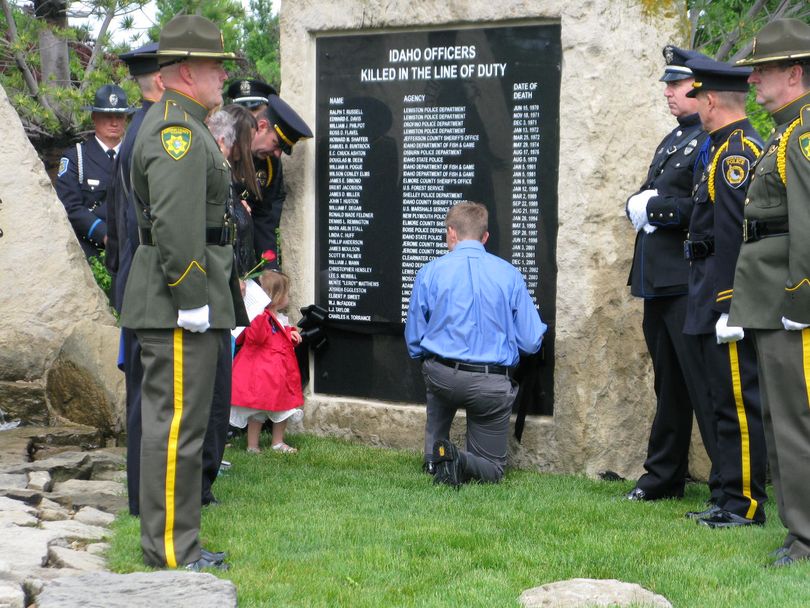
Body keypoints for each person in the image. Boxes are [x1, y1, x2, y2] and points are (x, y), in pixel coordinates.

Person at [120, 14, 248, 571]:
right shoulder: (176, 131)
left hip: (181, 297)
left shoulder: (184, 123)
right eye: (217, 68)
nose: (224, 78)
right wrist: (192, 296)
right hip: (177, 303)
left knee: (178, 425)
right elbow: (175, 226)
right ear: (187, 71)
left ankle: (171, 542)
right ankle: (172, 550)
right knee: (176, 429)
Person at [728, 18, 810, 566]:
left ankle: (806, 538)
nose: (754, 81)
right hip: (768, 297)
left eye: (764, 70)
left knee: (797, 421)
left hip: (789, 300)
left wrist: (801, 299)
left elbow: (806, 223)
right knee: (784, 421)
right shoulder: (786, 131)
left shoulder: (803, 134)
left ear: (796, 73)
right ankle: (797, 531)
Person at [624, 46, 719, 503]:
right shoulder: (673, 139)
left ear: (700, 89)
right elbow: (653, 190)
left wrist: (655, 208)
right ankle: (663, 477)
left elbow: (705, 207)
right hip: (657, 281)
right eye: (667, 85)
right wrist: (637, 203)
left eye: (676, 85)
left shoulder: (709, 138)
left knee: (702, 384)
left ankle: (731, 484)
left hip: (685, 281)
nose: (667, 92)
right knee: (670, 387)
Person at [681, 56, 767, 528]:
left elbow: (735, 233)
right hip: (706, 285)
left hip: (723, 290)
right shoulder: (717, 147)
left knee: (737, 401)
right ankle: (724, 495)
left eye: (696, 97)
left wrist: (730, 304)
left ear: (710, 100)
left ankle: (745, 504)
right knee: (718, 401)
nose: (694, 104)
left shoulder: (735, 152)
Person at [404, 201, 546, 486]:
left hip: (442, 376)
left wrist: (434, 358)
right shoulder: (510, 275)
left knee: (435, 373)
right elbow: (531, 342)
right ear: (485, 238)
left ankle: (435, 457)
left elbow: (415, 341)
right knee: (493, 469)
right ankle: (461, 459)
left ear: (451, 233)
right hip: (489, 383)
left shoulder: (430, 272)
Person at [104, 43, 164, 517]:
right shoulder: (153, 134)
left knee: (144, 395)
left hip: (132, 279)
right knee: (149, 399)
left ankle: (142, 495)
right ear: (163, 79)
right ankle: (145, 499)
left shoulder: (135, 134)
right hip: (148, 284)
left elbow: (116, 222)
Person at [55, 84, 134, 259]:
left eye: (119, 116)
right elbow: (70, 207)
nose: (114, 122)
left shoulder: (135, 155)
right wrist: (105, 235)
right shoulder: (76, 157)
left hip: (132, 248)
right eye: (107, 116)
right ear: (94, 117)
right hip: (91, 252)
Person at [230, 270, 304, 453]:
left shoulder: (276, 318)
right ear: (274, 296)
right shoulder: (260, 318)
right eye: (286, 293)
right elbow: (256, 338)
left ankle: (276, 442)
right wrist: (260, 315)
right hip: (266, 375)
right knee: (260, 412)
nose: (288, 296)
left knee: (281, 409)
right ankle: (253, 445)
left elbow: (280, 336)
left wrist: (291, 333)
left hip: (277, 375)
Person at [244, 90, 313, 265]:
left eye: (282, 149)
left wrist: (270, 269)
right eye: (276, 143)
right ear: (261, 126)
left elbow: (264, 219)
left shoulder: (270, 164)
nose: (277, 154)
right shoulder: (226, 146)